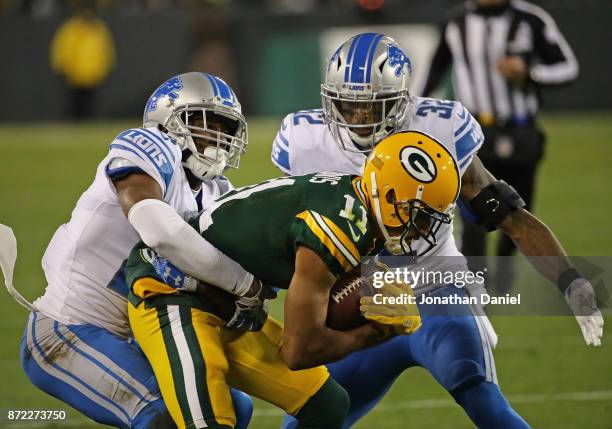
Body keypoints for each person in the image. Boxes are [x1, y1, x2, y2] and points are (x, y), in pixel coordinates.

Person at [275, 33, 602, 429]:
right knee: (310, 418)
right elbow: (281, 238)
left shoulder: (438, 128)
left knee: (480, 396)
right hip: (360, 304)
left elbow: (512, 220)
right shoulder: (304, 140)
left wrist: (570, 280)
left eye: (370, 105)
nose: (358, 117)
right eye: (347, 104)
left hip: (436, 293)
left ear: (401, 100)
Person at [124, 132, 441, 429]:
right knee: (212, 422)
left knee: (327, 404)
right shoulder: (338, 226)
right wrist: (376, 332)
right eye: (421, 215)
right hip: (171, 293)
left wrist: (370, 286)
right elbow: (299, 350)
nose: (421, 230)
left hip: (229, 305)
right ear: (389, 196)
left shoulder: (356, 204)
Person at [19, 72, 261, 429]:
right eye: (207, 124)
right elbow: (159, 230)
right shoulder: (148, 144)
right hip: (68, 328)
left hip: (140, 338)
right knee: (163, 418)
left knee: (230, 408)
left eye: (226, 128)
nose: (219, 139)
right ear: (169, 120)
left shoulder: (215, 191)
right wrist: (243, 284)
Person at [421, 0, 580, 292]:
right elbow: (435, 69)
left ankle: (504, 270)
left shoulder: (531, 19)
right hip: (474, 133)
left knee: (519, 207)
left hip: (521, 130)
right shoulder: (455, 22)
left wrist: (531, 74)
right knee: (472, 214)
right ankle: (474, 287)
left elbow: (568, 68)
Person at [50, 4, 116, 119]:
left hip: (93, 75)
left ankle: (88, 126)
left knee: (90, 106)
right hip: (73, 75)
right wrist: (62, 67)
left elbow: (105, 50)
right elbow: (63, 49)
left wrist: (105, 68)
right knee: (74, 105)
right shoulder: (71, 29)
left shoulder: (98, 29)